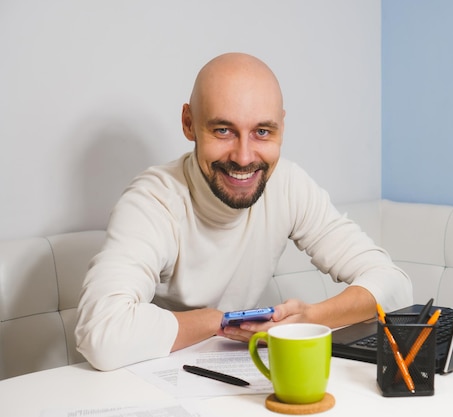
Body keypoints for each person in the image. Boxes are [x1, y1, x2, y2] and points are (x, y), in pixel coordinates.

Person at [75, 52, 412, 371]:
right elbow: (102, 335)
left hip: (238, 377)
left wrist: (312, 318)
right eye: (223, 130)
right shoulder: (153, 200)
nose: (244, 156)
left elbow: (395, 287)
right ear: (189, 123)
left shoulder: (288, 184)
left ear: (282, 127)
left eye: (262, 132)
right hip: (156, 380)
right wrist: (219, 320)